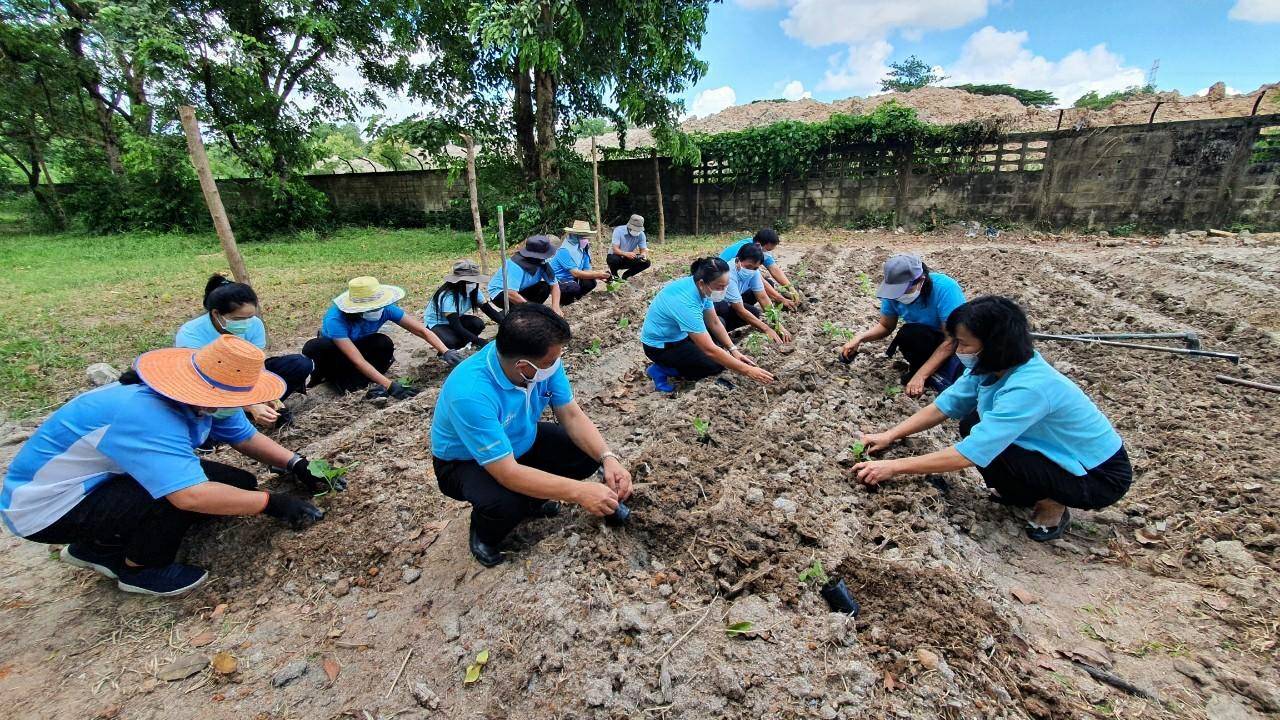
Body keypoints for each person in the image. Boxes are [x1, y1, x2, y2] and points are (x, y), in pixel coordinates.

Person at [1, 336, 335, 596]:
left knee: (240, 484)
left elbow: (245, 437)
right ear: (207, 390)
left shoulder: (207, 399)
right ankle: (139, 569)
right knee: (178, 499)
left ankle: (95, 547)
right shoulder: (145, 413)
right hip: (46, 508)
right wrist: (273, 504)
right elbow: (190, 496)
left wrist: (297, 463)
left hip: (101, 484)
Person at [852, 296, 1132, 542]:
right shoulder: (990, 369)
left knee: (989, 444)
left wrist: (895, 467)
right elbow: (943, 406)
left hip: (1099, 477)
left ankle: (1053, 502)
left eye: (963, 343)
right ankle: (1023, 494)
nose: (957, 351)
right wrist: (890, 434)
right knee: (972, 422)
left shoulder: (1030, 387)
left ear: (993, 345)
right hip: (1056, 457)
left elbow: (971, 453)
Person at [430, 304, 633, 567]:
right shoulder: (470, 392)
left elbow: (571, 414)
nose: (555, 365)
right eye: (550, 361)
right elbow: (507, 473)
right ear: (523, 366)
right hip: (465, 462)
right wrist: (579, 492)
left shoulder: (543, 364)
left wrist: (609, 459)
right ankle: (484, 533)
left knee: (584, 454)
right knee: (504, 503)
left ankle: (532, 501)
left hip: (520, 438)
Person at [176, 275, 314, 427]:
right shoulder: (191, 334)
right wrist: (250, 405)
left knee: (299, 364)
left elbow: (258, 369)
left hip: (244, 378)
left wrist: (268, 396)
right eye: (238, 319)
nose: (247, 323)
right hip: (210, 389)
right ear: (216, 314)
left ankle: (263, 412)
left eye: (251, 317)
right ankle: (239, 415)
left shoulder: (254, 324)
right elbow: (200, 383)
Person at [302, 276, 460, 400]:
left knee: (383, 342)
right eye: (372, 308)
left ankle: (361, 380)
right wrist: (390, 386)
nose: (377, 311)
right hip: (337, 351)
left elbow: (420, 330)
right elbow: (358, 360)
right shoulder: (335, 319)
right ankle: (331, 377)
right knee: (319, 348)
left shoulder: (386, 309)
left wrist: (446, 351)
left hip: (361, 345)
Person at [641, 257, 776, 393]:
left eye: (726, 285)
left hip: (682, 334)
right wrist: (747, 370)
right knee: (715, 365)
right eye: (720, 287)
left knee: (721, 326)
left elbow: (714, 322)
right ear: (702, 283)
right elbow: (709, 350)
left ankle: (691, 356)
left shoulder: (702, 290)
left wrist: (733, 350)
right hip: (662, 347)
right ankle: (660, 369)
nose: (723, 290)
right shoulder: (686, 302)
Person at [839, 253, 966, 397]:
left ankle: (932, 372)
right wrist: (860, 338)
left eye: (904, 291)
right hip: (924, 340)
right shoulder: (893, 294)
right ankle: (924, 369)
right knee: (909, 335)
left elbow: (952, 340)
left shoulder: (945, 288)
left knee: (960, 373)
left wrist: (921, 376)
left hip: (950, 343)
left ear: (920, 280)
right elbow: (886, 326)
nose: (899, 296)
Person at [714, 241, 793, 344]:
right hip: (715, 305)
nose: (751, 270)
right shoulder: (729, 274)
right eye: (748, 266)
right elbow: (740, 310)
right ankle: (719, 334)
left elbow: (763, 297)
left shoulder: (753, 272)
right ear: (738, 260)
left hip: (732, 300)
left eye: (755, 268)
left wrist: (778, 325)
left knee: (754, 313)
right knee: (727, 309)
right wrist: (766, 329)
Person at [425, 260, 504, 350]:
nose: (472, 284)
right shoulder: (448, 297)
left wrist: (507, 325)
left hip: (456, 319)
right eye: (469, 282)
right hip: (438, 324)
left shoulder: (474, 291)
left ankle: (465, 342)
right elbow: (456, 326)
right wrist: (479, 341)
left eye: (474, 281)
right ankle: (448, 348)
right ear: (459, 282)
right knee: (451, 342)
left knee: (477, 324)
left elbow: (490, 311)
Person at [719, 228, 797, 310]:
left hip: (737, 284)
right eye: (767, 250)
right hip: (723, 288)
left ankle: (742, 306)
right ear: (759, 245)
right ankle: (737, 308)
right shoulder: (747, 251)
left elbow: (774, 269)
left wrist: (791, 288)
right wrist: (781, 299)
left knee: (768, 284)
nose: (767, 253)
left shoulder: (758, 249)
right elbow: (761, 282)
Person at [487, 235, 562, 316]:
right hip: (501, 294)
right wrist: (533, 308)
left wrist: (556, 307)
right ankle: (514, 312)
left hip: (520, 290)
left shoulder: (542, 263)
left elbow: (554, 286)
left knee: (544, 287)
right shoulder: (516, 265)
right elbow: (510, 293)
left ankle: (524, 310)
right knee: (529, 311)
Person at [551, 220, 611, 305]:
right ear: (575, 235)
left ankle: (576, 298)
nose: (585, 239)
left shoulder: (583, 249)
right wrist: (598, 274)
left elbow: (586, 270)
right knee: (573, 287)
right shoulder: (564, 250)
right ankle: (563, 302)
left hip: (572, 279)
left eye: (586, 236)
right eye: (583, 236)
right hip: (558, 281)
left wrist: (600, 276)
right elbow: (575, 273)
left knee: (590, 282)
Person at [608, 214, 651, 279]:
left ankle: (626, 276)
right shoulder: (618, 231)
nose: (636, 231)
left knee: (646, 262)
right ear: (629, 227)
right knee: (614, 259)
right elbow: (615, 249)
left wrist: (643, 256)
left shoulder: (641, 234)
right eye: (635, 229)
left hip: (627, 258)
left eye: (638, 230)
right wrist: (625, 254)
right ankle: (615, 276)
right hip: (616, 256)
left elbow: (643, 250)